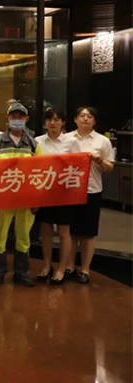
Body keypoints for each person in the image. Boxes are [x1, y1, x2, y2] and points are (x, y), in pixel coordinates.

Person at [0, 103, 42, 287]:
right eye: (13, 117)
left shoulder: (33, 143)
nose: (17, 120)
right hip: (3, 199)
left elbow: (41, 172)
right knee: (0, 235)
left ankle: (21, 273)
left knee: (23, 236)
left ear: (26, 119)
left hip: (26, 200)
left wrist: (37, 199)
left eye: (20, 117)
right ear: (8, 119)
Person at [65, 106, 114, 284]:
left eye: (89, 116)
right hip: (70, 190)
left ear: (94, 121)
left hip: (92, 190)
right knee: (70, 232)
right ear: (75, 119)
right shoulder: (66, 139)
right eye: (82, 115)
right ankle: (69, 266)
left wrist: (99, 160)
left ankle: (85, 269)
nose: (85, 118)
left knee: (88, 233)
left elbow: (110, 167)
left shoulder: (103, 141)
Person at [35, 108, 81, 285]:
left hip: (65, 193)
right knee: (46, 230)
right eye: (49, 119)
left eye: (56, 119)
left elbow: (78, 166)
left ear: (63, 122)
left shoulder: (72, 141)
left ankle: (62, 268)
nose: (52, 123)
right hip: (44, 192)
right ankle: (47, 266)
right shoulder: (38, 141)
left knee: (63, 231)